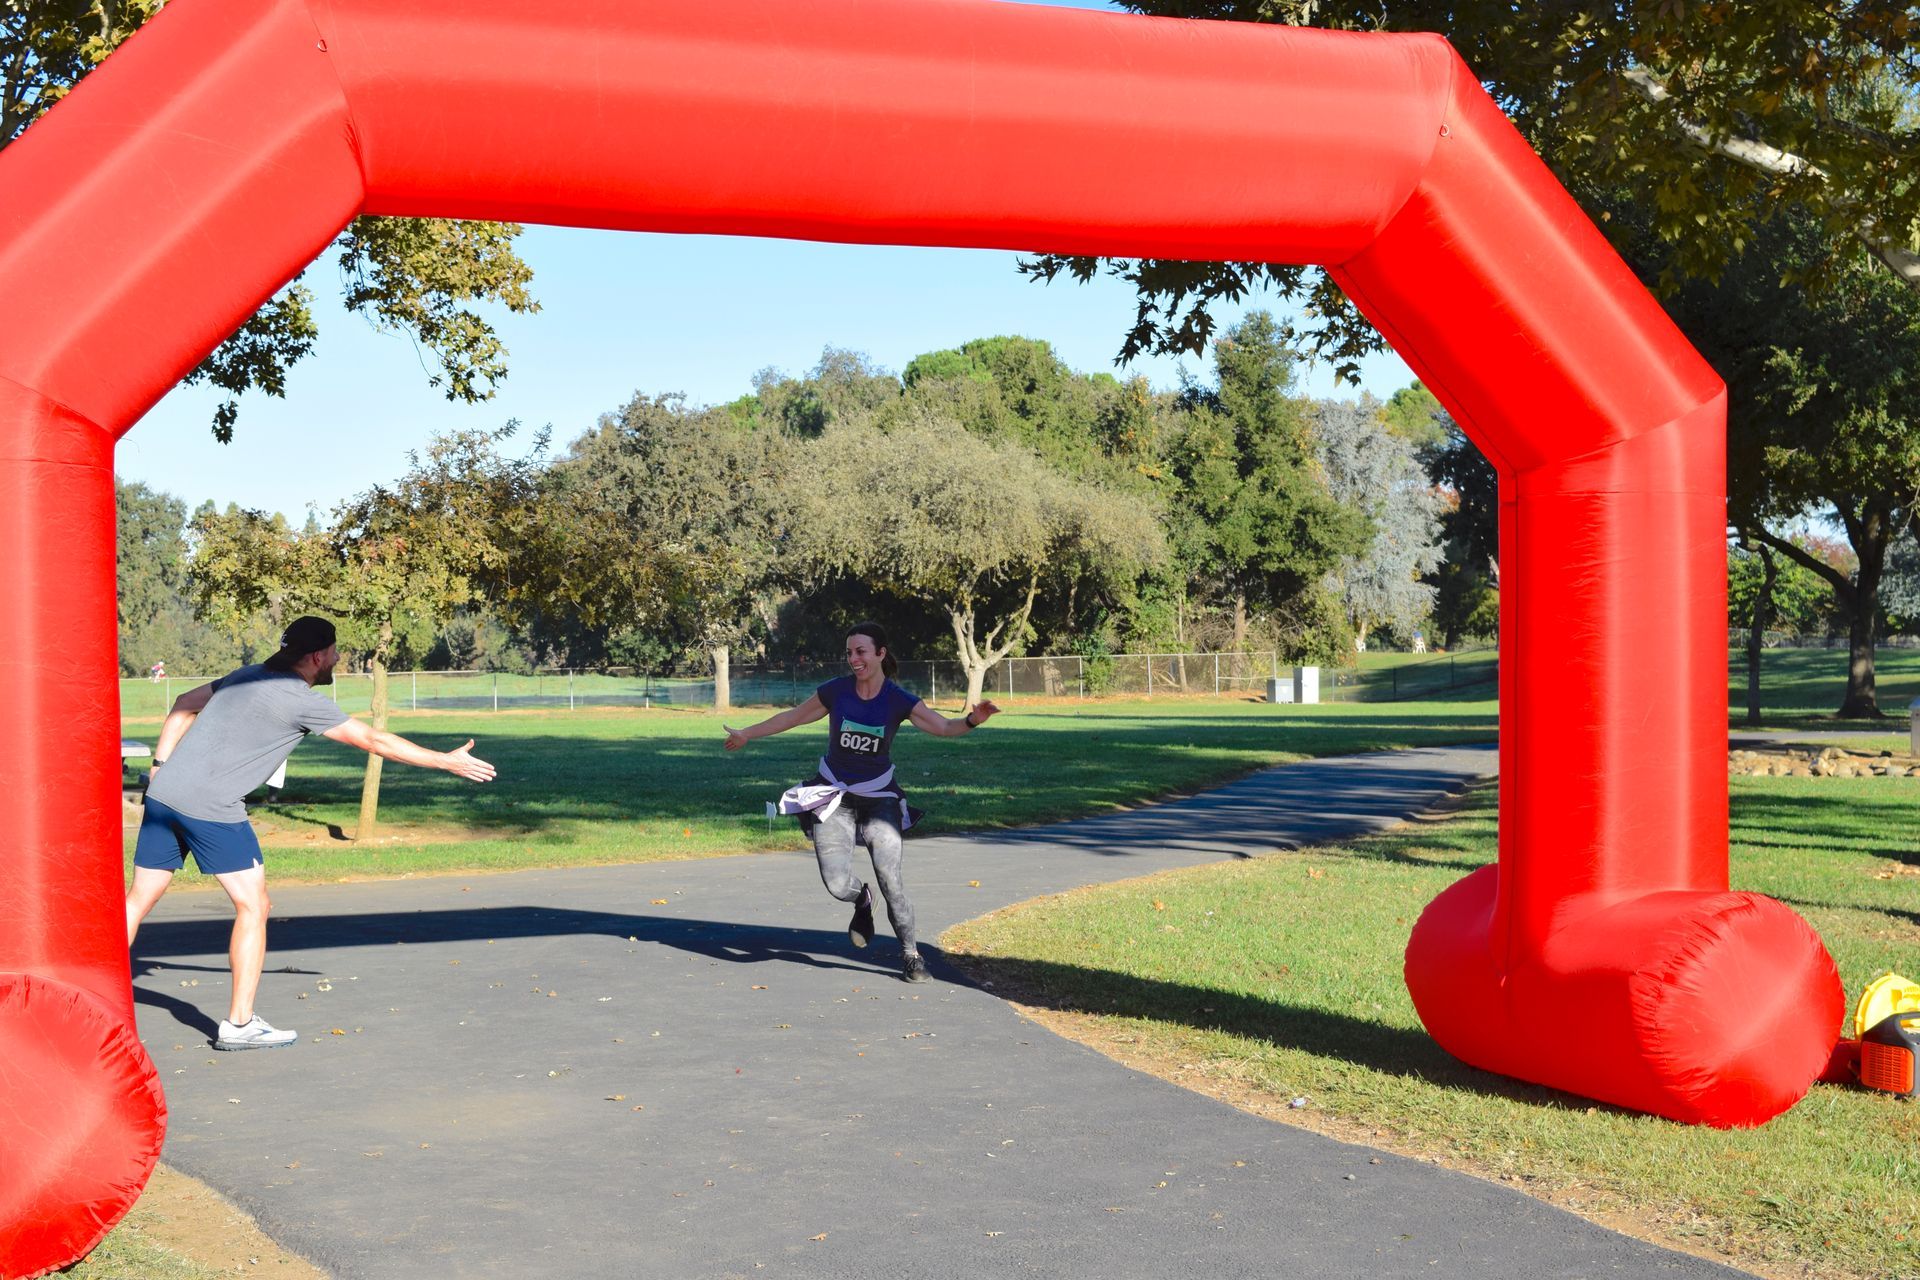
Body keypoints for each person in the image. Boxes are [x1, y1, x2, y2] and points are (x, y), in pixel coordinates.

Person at [126, 616, 496, 1050]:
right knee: (253, 906)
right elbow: (374, 740)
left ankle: (97, 988)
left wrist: (159, 766)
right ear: (318, 656)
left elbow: (184, 703)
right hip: (211, 807)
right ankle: (240, 1026)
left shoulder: (244, 676)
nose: (338, 658)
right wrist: (445, 761)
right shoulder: (298, 699)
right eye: (336, 651)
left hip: (165, 797)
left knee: (138, 900)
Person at [723, 622, 998, 982]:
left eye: (861, 651)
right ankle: (862, 900)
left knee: (891, 879)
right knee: (837, 883)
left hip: (879, 799)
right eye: (850, 652)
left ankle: (911, 955)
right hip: (833, 796)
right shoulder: (836, 692)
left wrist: (973, 720)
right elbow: (792, 717)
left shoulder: (899, 699)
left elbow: (944, 728)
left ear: (880, 653)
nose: (853, 658)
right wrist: (747, 733)